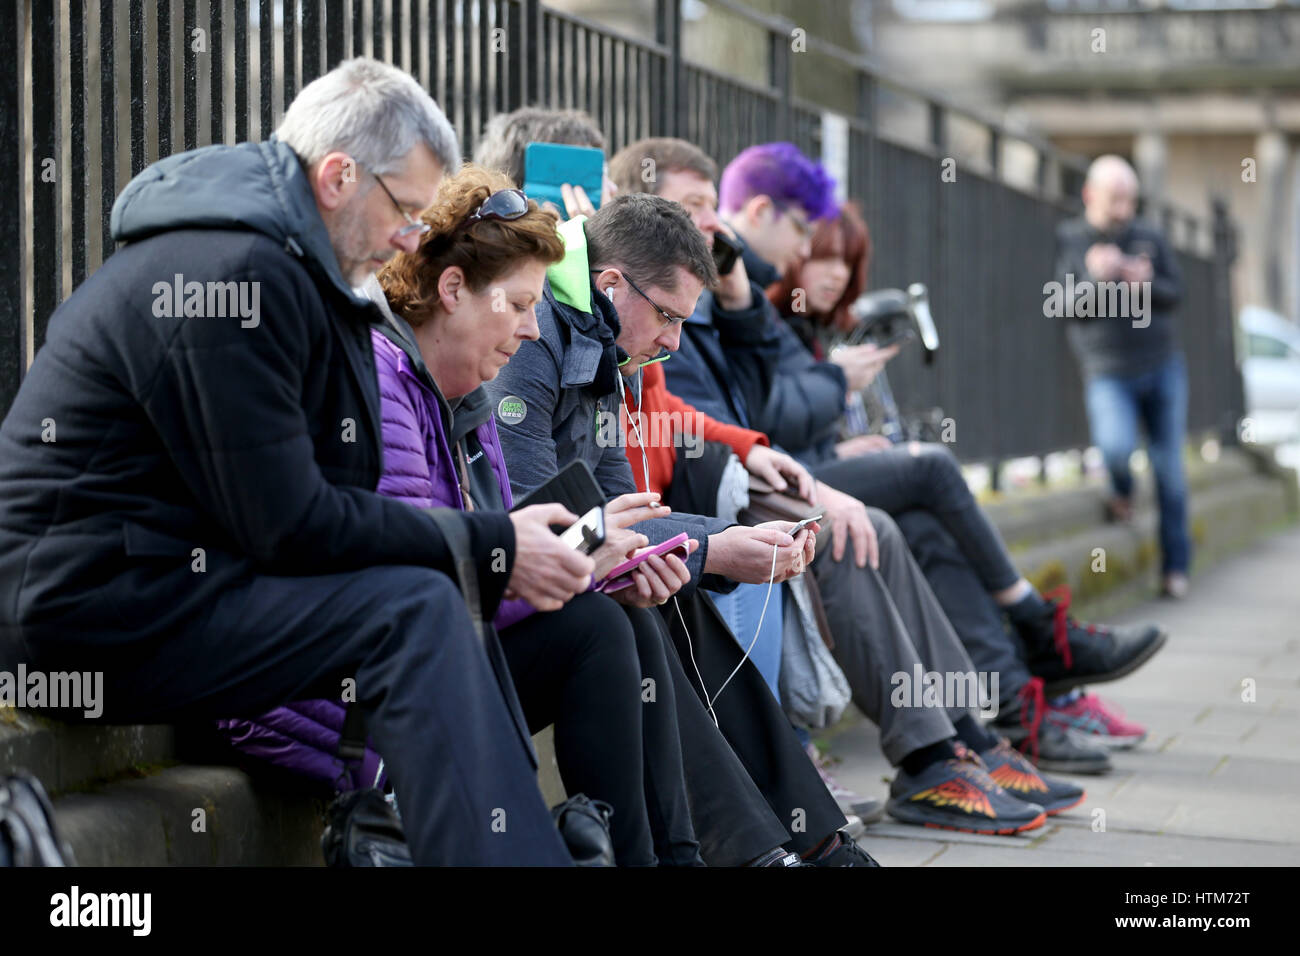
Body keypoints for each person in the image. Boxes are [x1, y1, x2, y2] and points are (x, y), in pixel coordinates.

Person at [0, 58, 579, 865]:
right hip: (88, 607)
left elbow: (318, 505)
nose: (410, 238)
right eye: (406, 210)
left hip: (160, 583)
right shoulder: (234, 274)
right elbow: (290, 526)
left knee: (420, 601)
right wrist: (498, 547)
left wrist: (488, 548)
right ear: (340, 176)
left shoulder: (295, 272)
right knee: (412, 610)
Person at [612, 136, 1162, 767]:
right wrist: (832, 386)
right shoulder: (672, 305)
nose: (707, 224)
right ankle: (1003, 683)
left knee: (918, 515)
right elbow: (757, 413)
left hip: (758, 475)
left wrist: (744, 314)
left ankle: (997, 715)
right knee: (905, 489)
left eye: (709, 207)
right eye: (814, 244)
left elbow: (741, 411)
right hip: (727, 497)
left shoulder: (731, 296)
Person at [220, 165, 704, 866]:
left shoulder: (463, 403)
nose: (534, 331)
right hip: (326, 698)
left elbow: (468, 575)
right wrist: (567, 570)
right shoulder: (380, 385)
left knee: (612, 615)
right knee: (594, 626)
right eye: (518, 304)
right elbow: (409, 599)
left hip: (402, 666)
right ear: (452, 290)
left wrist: (584, 567)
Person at [484, 192, 878, 865]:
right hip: (509, 607)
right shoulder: (536, 335)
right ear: (610, 284)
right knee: (640, 606)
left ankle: (812, 840)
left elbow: (620, 509)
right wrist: (712, 549)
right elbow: (538, 518)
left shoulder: (599, 340)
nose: (672, 343)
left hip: (536, 593)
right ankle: (758, 852)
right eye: (667, 317)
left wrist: (716, 547)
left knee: (661, 585)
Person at [1055, 154, 1190, 600]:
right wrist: (1097, 279)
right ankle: (1121, 491)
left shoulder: (1149, 235)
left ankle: (1176, 569)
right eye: (1115, 199)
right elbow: (1062, 305)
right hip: (1108, 370)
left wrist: (1143, 283)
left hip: (1161, 364)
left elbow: (1177, 293)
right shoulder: (1072, 240)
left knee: (1170, 470)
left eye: (1130, 199)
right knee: (1115, 451)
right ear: (1090, 195)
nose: (1124, 209)